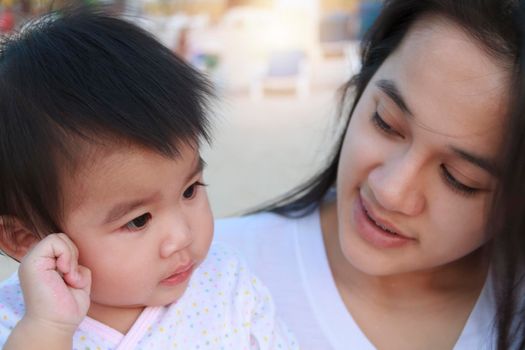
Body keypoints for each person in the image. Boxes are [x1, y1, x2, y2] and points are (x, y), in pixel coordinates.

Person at [215, 0, 525, 349]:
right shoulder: (212, 273)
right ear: (361, 85)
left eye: (459, 178)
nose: (390, 191)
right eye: (385, 122)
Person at [0, 7, 298, 350]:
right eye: (138, 220)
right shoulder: (17, 327)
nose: (182, 236)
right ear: (26, 238)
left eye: (190, 190)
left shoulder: (226, 284)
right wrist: (49, 328)